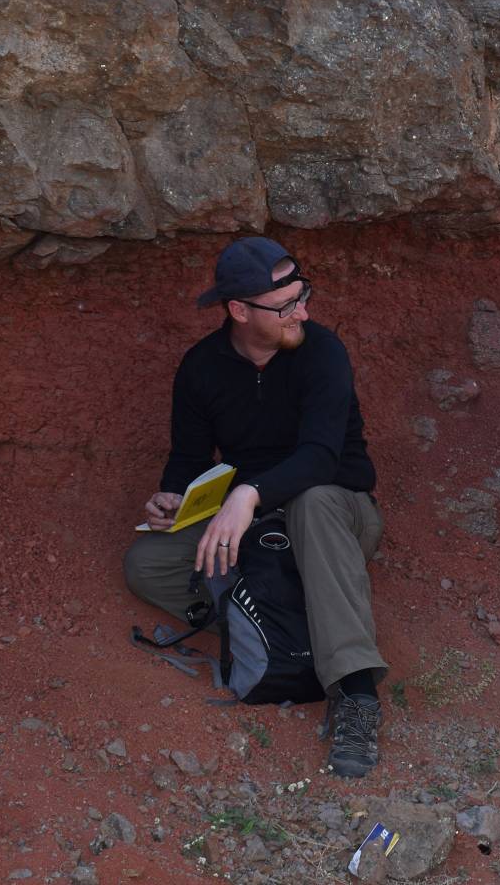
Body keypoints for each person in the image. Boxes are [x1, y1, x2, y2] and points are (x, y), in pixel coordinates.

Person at [124, 236, 387, 778]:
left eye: (302, 295)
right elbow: (190, 458)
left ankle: (356, 692)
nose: (303, 312)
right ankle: (280, 633)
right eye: (286, 305)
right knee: (146, 563)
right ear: (239, 311)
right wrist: (173, 497)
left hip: (337, 510)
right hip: (255, 524)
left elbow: (320, 457)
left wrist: (249, 493)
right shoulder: (201, 367)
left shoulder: (322, 351)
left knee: (312, 503)